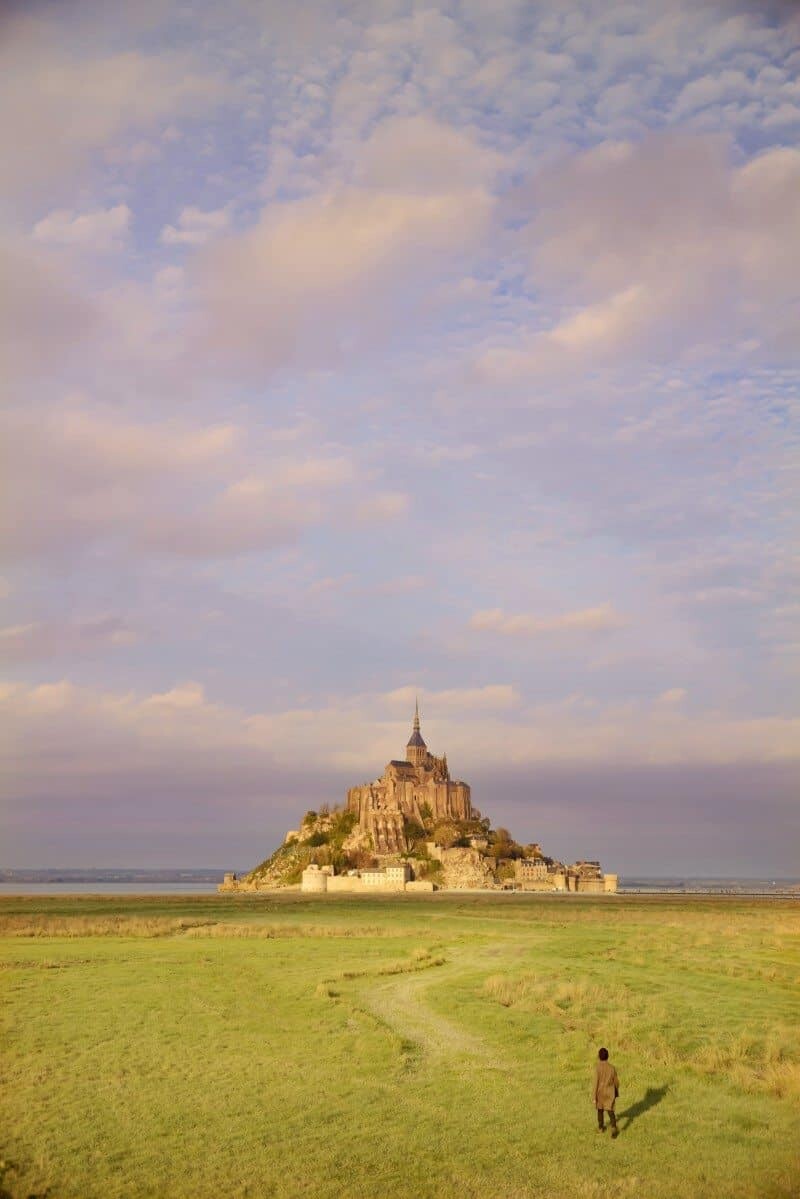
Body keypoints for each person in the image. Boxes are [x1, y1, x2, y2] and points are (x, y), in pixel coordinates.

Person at [593, 1047, 620, 1137]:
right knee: (610, 1111)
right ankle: (613, 1128)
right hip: (609, 1093)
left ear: (599, 1056)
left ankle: (601, 1128)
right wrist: (616, 1091)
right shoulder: (612, 1068)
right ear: (608, 1056)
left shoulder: (597, 1068)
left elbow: (595, 1083)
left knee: (600, 1111)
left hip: (600, 1093)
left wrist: (594, 1097)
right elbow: (616, 1082)